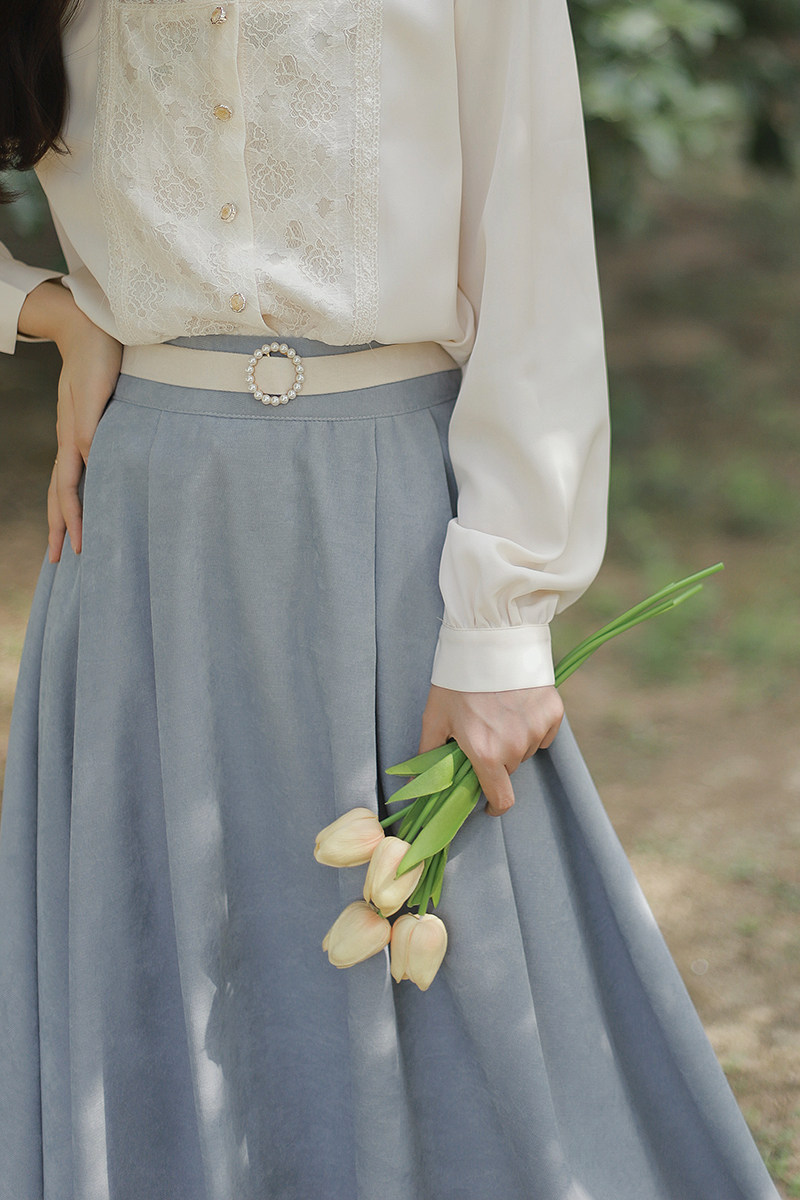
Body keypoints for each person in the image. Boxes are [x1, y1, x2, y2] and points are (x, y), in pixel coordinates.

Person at [0, 1, 781, 1198]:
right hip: (139, 533)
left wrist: (501, 612)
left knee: (462, 982)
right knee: (164, 966)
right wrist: (40, 306)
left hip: (394, 526)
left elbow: (532, 244)